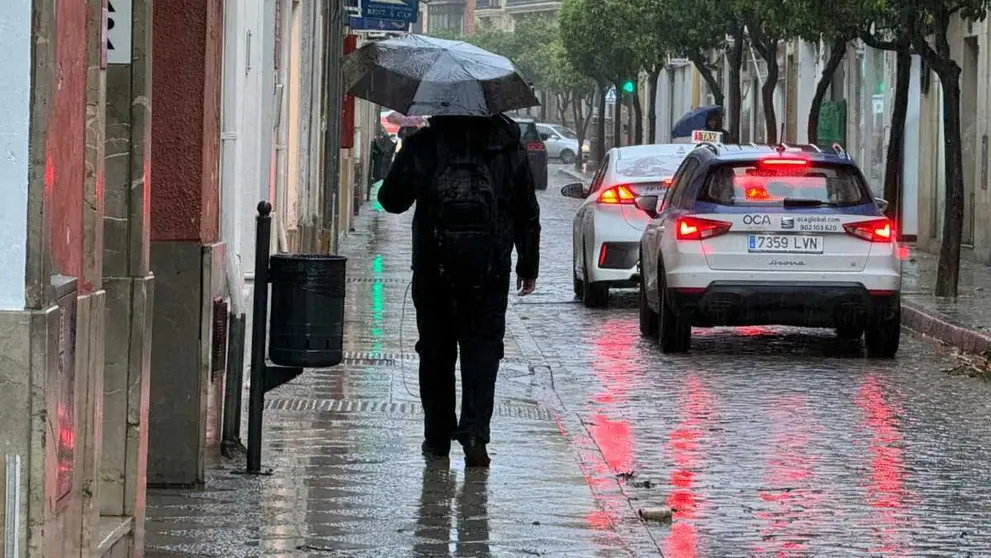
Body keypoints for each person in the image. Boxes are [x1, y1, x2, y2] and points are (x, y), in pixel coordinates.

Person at [377, 114, 541, 468]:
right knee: (482, 351)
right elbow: (527, 209)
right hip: (490, 268)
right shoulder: (507, 146)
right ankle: (475, 434)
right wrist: (527, 265)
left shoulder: (424, 144)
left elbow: (390, 200)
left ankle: (437, 439)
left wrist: (406, 150)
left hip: (433, 268)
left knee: (435, 352)